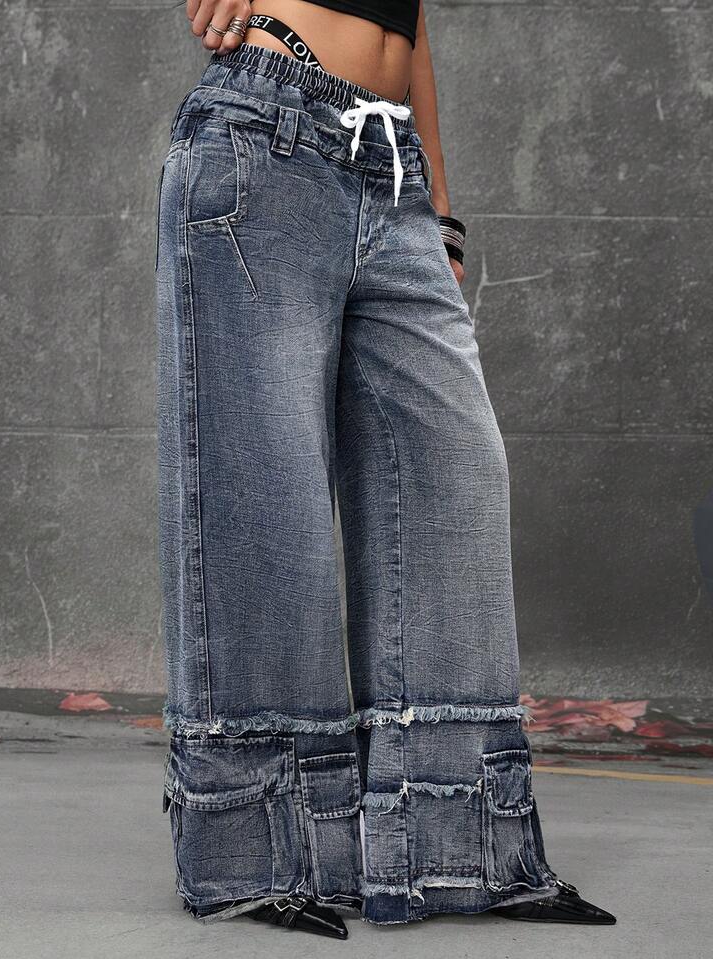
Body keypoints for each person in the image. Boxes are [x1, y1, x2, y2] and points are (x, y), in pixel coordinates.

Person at [155, 0, 616, 937]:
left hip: (392, 166)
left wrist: (438, 211)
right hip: (265, 137)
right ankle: (262, 854)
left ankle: (462, 849)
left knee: (456, 479)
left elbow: (413, 24)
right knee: (266, 501)